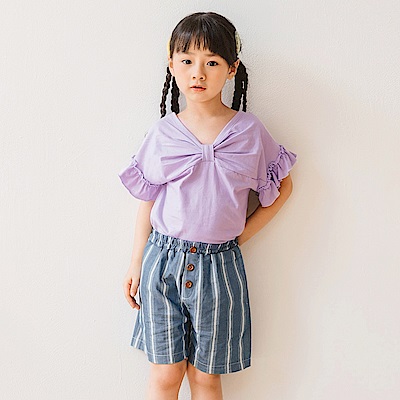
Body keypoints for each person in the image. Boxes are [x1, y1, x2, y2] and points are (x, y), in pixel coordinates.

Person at [118, 11, 298, 400]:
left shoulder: (249, 131)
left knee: (205, 378)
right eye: (187, 61)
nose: (198, 73)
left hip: (220, 268)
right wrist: (135, 262)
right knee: (165, 374)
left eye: (211, 62)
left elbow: (283, 186)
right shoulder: (163, 132)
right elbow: (148, 199)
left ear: (231, 69)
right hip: (162, 264)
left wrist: (238, 236)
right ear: (172, 65)